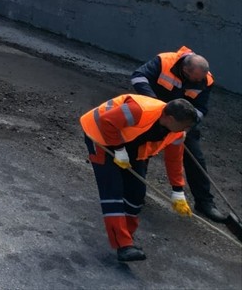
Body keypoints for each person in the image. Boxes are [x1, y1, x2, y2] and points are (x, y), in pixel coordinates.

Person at [79, 94, 198, 263]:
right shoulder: (139, 110)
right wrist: (119, 150)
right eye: (184, 126)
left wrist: (178, 190)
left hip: (131, 145)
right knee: (112, 191)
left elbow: (174, 160)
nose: (186, 130)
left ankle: (127, 238)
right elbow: (106, 121)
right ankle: (124, 245)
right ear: (170, 119)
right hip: (99, 135)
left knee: (136, 193)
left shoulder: (176, 133)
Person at [130, 46, 226, 221]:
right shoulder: (164, 61)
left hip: (182, 121)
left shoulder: (206, 81)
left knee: (195, 158)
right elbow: (138, 77)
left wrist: (186, 124)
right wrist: (156, 105)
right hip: (155, 114)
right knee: (143, 151)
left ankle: (205, 202)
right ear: (184, 69)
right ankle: (135, 192)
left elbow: (201, 109)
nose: (196, 83)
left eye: (199, 80)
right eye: (193, 79)